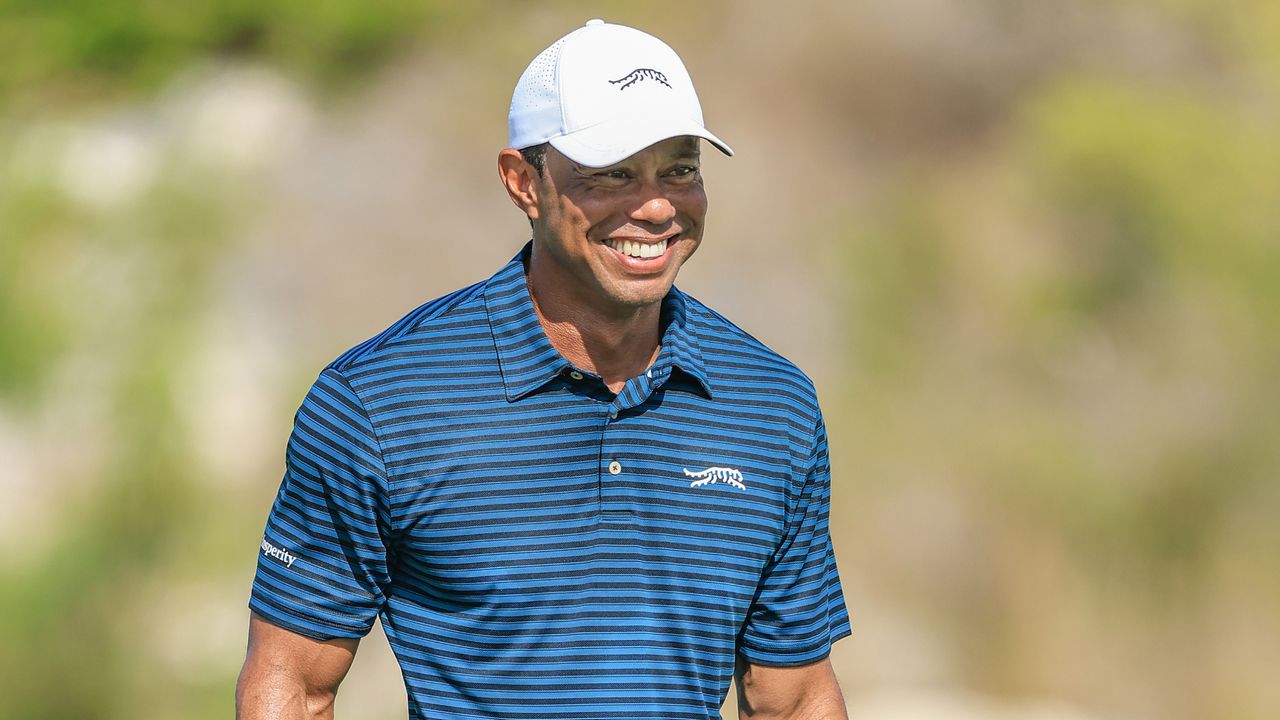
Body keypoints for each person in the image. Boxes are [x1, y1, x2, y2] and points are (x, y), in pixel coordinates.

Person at [236, 18, 851, 720]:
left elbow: (796, 700)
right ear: (522, 182)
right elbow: (292, 684)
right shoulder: (377, 401)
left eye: (680, 169)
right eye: (612, 173)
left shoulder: (772, 406)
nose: (656, 206)